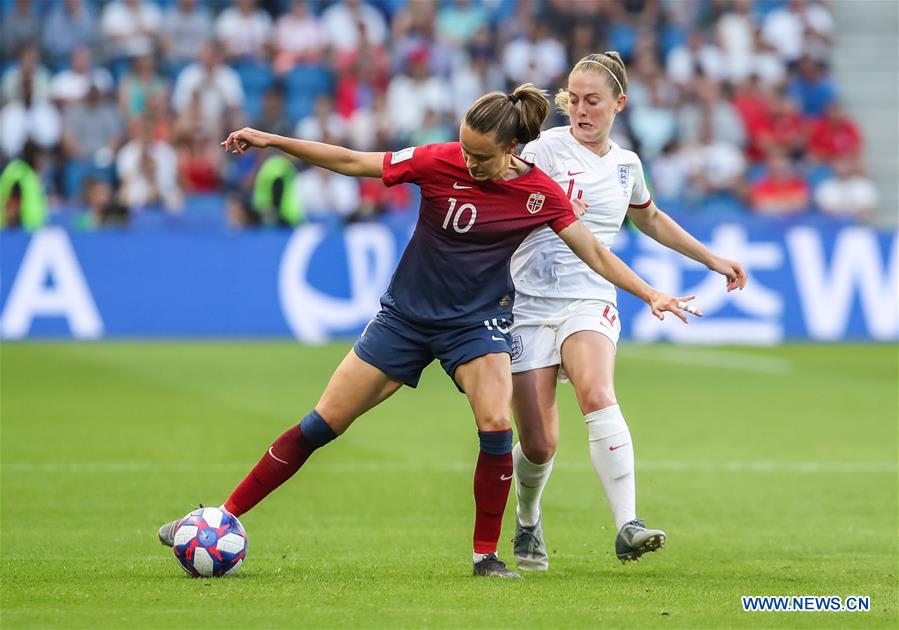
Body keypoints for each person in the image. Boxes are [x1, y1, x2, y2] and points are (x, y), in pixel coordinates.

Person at [157, 83, 700, 578]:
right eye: (463, 148)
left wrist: (650, 292)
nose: (467, 160)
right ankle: (218, 517)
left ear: (512, 150)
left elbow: (595, 252)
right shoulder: (437, 160)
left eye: (480, 156)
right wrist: (271, 140)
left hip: (476, 324)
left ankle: (485, 556)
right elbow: (350, 160)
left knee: (495, 426)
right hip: (406, 318)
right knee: (322, 424)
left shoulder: (538, 194)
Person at [507, 53, 747, 570]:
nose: (580, 110)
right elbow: (499, 190)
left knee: (597, 392)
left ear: (620, 103)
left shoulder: (626, 165)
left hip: (591, 297)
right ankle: (527, 521)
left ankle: (627, 524)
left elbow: (651, 218)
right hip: (527, 304)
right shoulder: (544, 149)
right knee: (540, 442)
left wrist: (711, 259)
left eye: (593, 100)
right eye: (573, 99)